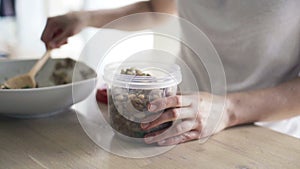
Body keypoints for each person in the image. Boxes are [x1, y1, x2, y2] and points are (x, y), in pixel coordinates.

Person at [41, 0, 300, 146]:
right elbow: (158, 10)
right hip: (176, 123)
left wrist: (227, 110)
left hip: (267, 134)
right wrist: (83, 18)